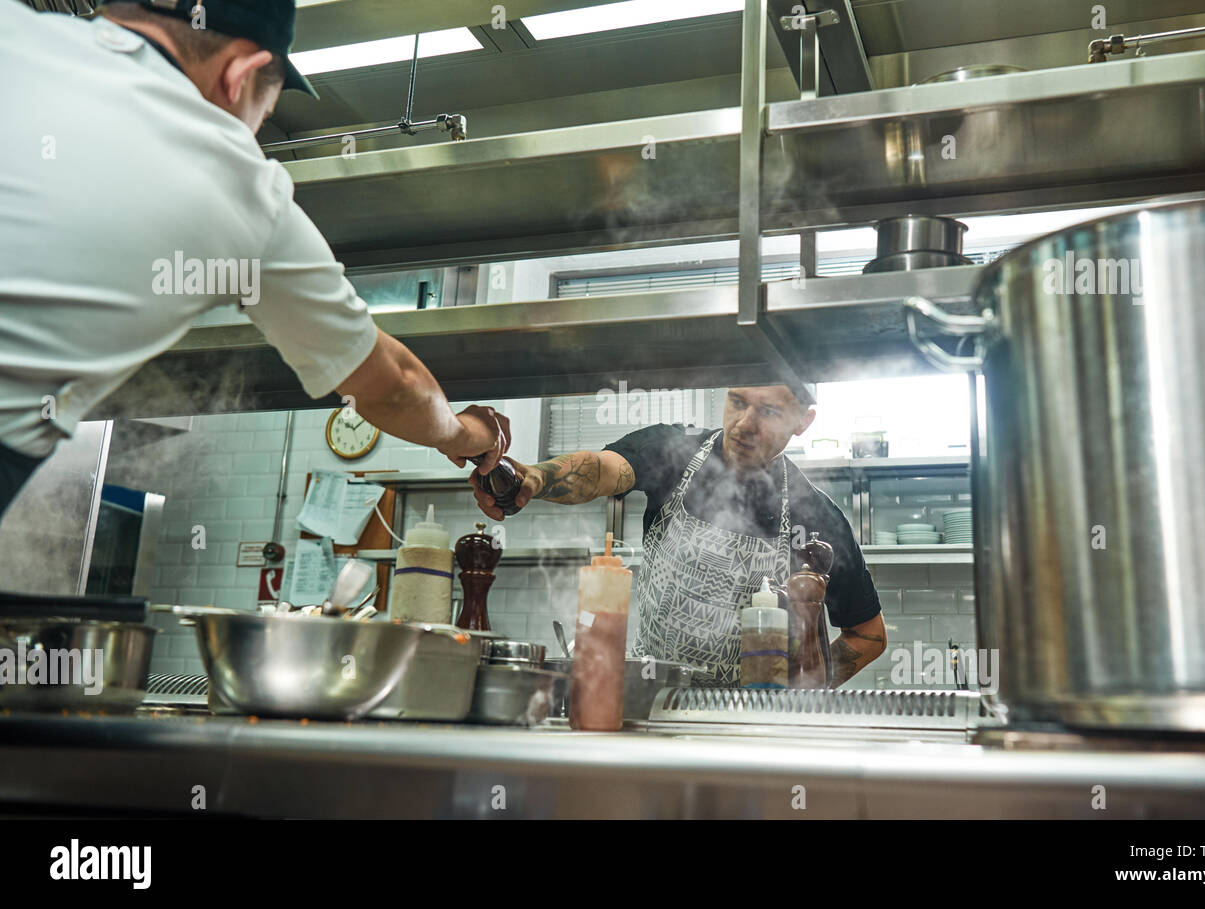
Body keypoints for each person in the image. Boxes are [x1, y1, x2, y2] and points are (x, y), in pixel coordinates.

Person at [0, 0, 509, 515]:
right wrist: (466, 434)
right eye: (262, 117)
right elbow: (392, 387)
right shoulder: (242, 190)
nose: (254, 137)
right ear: (238, 74)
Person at [472, 385, 888, 688]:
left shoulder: (817, 519)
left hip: (753, 728)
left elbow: (868, 635)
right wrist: (536, 477)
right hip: (650, 703)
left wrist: (804, 688)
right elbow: (601, 470)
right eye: (737, 402)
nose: (744, 424)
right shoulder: (673, 452)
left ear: (803, 421)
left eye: (768, 412)